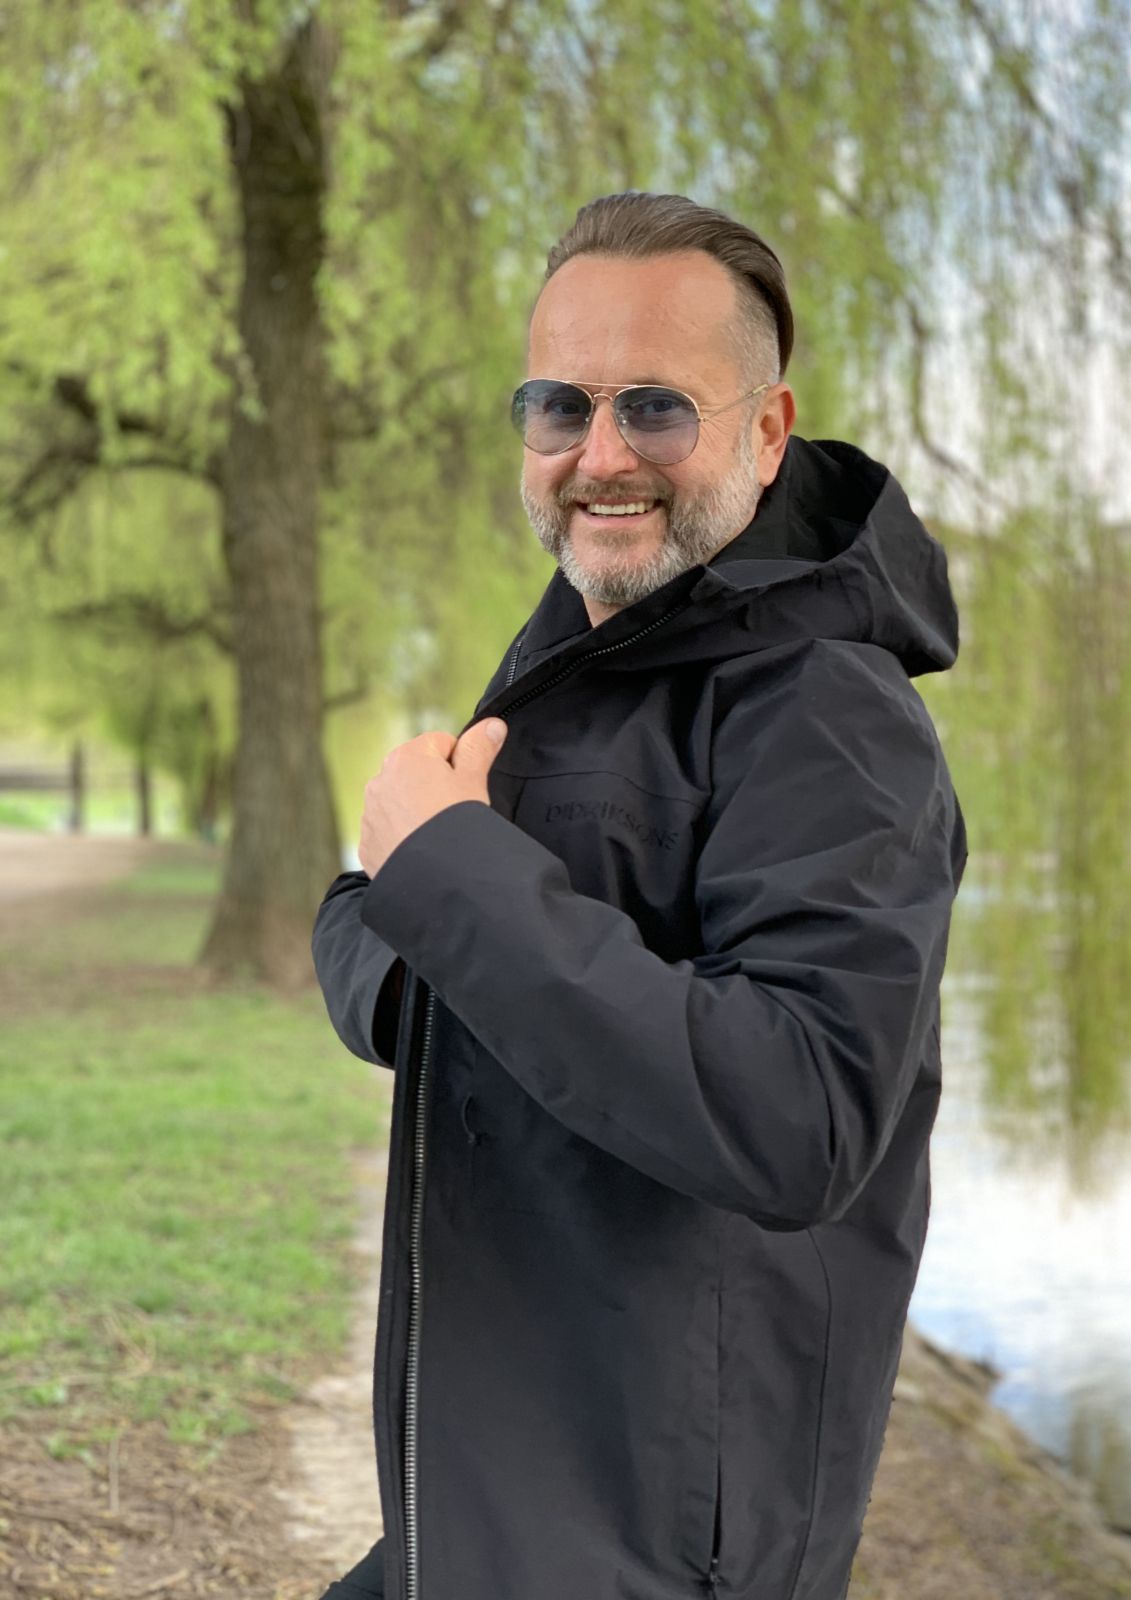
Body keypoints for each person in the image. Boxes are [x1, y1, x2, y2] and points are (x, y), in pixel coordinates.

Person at [310, 190, 968, 1600]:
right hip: (489, 1490)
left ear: (766, 430)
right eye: (561, 406)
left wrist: (442, 875)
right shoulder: (579, 656)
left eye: (656, 407)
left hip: (657, 1542)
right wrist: (401, 905)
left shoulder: (829, 713)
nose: (600, 455)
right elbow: (443, 970)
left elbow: (798, 1121)